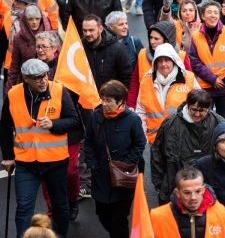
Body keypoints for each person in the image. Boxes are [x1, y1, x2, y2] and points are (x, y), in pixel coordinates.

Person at [0, 59, 79, 238]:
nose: (43, 80)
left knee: (60, 206)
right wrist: (7, 156)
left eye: (45, 76)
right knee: (24, 208)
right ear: (26, 78)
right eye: (37, 78)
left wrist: (54, 124)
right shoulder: (13, 94)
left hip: (55, 162)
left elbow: (74, 121)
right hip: (26, 163)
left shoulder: (59, 90)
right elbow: (4, 126)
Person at [31, 32, 88, 222]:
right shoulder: (32, 68)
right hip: (43, 130)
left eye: (43, 46)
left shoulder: (66, 67)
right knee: (47, 173)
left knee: (71, 170)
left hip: (69, 127)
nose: (39, 50)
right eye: (38, 46)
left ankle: (71, 200)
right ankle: (53, 209)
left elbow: (80, 94)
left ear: (55, 48)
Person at [84, 80, 145, 238]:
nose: (104, 103)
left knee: (119, 218)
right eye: (102, 99)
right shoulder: (96, 116)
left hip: (123, 177)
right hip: (100, 175)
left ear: (120, 101)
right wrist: (92, 163)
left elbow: (139, 143)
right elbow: (88, 141)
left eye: (108, 100)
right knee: (103, 216)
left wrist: (127, 163)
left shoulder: (132, 119)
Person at [151, 89, 225, 205]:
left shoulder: (218, 123)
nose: (197, 114)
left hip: (210, 189)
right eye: (194, 110)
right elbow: (157, 157)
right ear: (187, 105)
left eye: (202, 111)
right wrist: (159, 186)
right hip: (173, 187)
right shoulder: (170, 124)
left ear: (208, 108)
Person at [189, 0, 225, 121]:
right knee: (203, 123)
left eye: (216, 12)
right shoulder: (195, 36)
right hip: (204, 88)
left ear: (219, 15)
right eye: (209, 12)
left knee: (224, 124)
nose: (213, 15)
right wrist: (213, 79)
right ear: (203, 16)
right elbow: (195, 61)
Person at [136, 43, 199, 144]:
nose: (163, 64)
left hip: (183, 140)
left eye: (167, 60)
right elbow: (141, 112)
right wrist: (142, 136)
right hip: (156, 142)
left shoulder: (189, 79)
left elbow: (199, 107)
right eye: (159, 61)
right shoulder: (146, 81)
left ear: (174, 61)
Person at [150, 166, 225, 238]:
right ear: (178, 193)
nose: (193, 197)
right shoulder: (157, 217)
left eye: (198, 191)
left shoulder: (221, 213)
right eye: (187, 193)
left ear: (203, 190)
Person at [127, 21, 191, 108]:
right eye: (151, 37)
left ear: (167, 40)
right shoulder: (142, 55)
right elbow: (135, 82)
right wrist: (131, 104)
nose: (152, 41)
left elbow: (189, 85)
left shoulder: (181, 57)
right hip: (148, 109)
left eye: (156, 39)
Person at [7, 4, 57, 91]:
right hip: (26, 82)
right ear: (25, 20)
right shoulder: (18, 38)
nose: (34, 22)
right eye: (30, 19)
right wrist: (9, 87)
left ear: (41, 19)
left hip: (49, 81)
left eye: (37, 19)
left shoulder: (51, 35)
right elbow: (15, 65)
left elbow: (58, 58)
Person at [81, 14, 133, 90]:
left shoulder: (118, 48)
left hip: (110, 99)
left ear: (101, 29)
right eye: (85, 30)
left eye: (91, 30)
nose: (87, 34)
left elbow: (127, 77)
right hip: (86, 98)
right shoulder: (79, 47)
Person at [0, 0, 37, 83]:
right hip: (11, 66)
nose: (15, 3)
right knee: (9, 96)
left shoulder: (39, 18)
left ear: (28, 4)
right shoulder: (9, 16)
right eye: (15, 0)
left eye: (19, 1)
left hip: (33, 67)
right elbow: (3, 43)